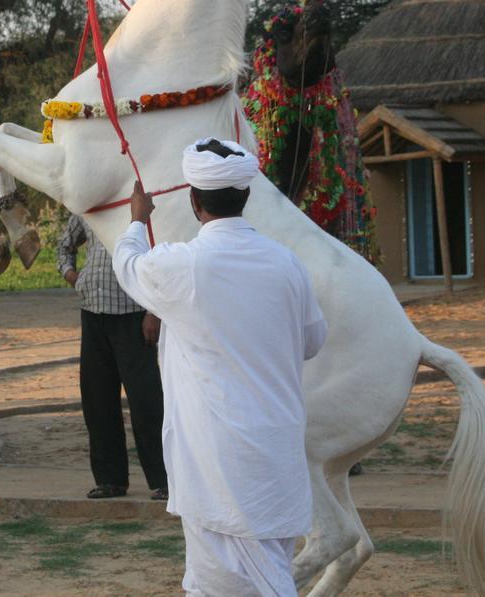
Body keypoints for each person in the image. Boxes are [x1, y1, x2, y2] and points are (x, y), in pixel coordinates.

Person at [113, 138, 328, 596]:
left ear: (194, 201)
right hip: (277, 456)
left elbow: (128, 266)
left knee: (218, 586)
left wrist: (137, 219)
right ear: (246, 196)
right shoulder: (287, 263)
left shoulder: (185, 264)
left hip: (216, 461)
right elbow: (312, 341)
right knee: (263, 575)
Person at [56, 213, 167, 501]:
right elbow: (63, 245)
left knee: (147, 401)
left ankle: (165, 480)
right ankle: (110, 480)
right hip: (93, 312)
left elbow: (162, 261)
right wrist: (73, 276)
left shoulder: (142, 210)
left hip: (133, 316)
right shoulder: (88, 206)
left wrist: (153, 311)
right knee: (97, 399)